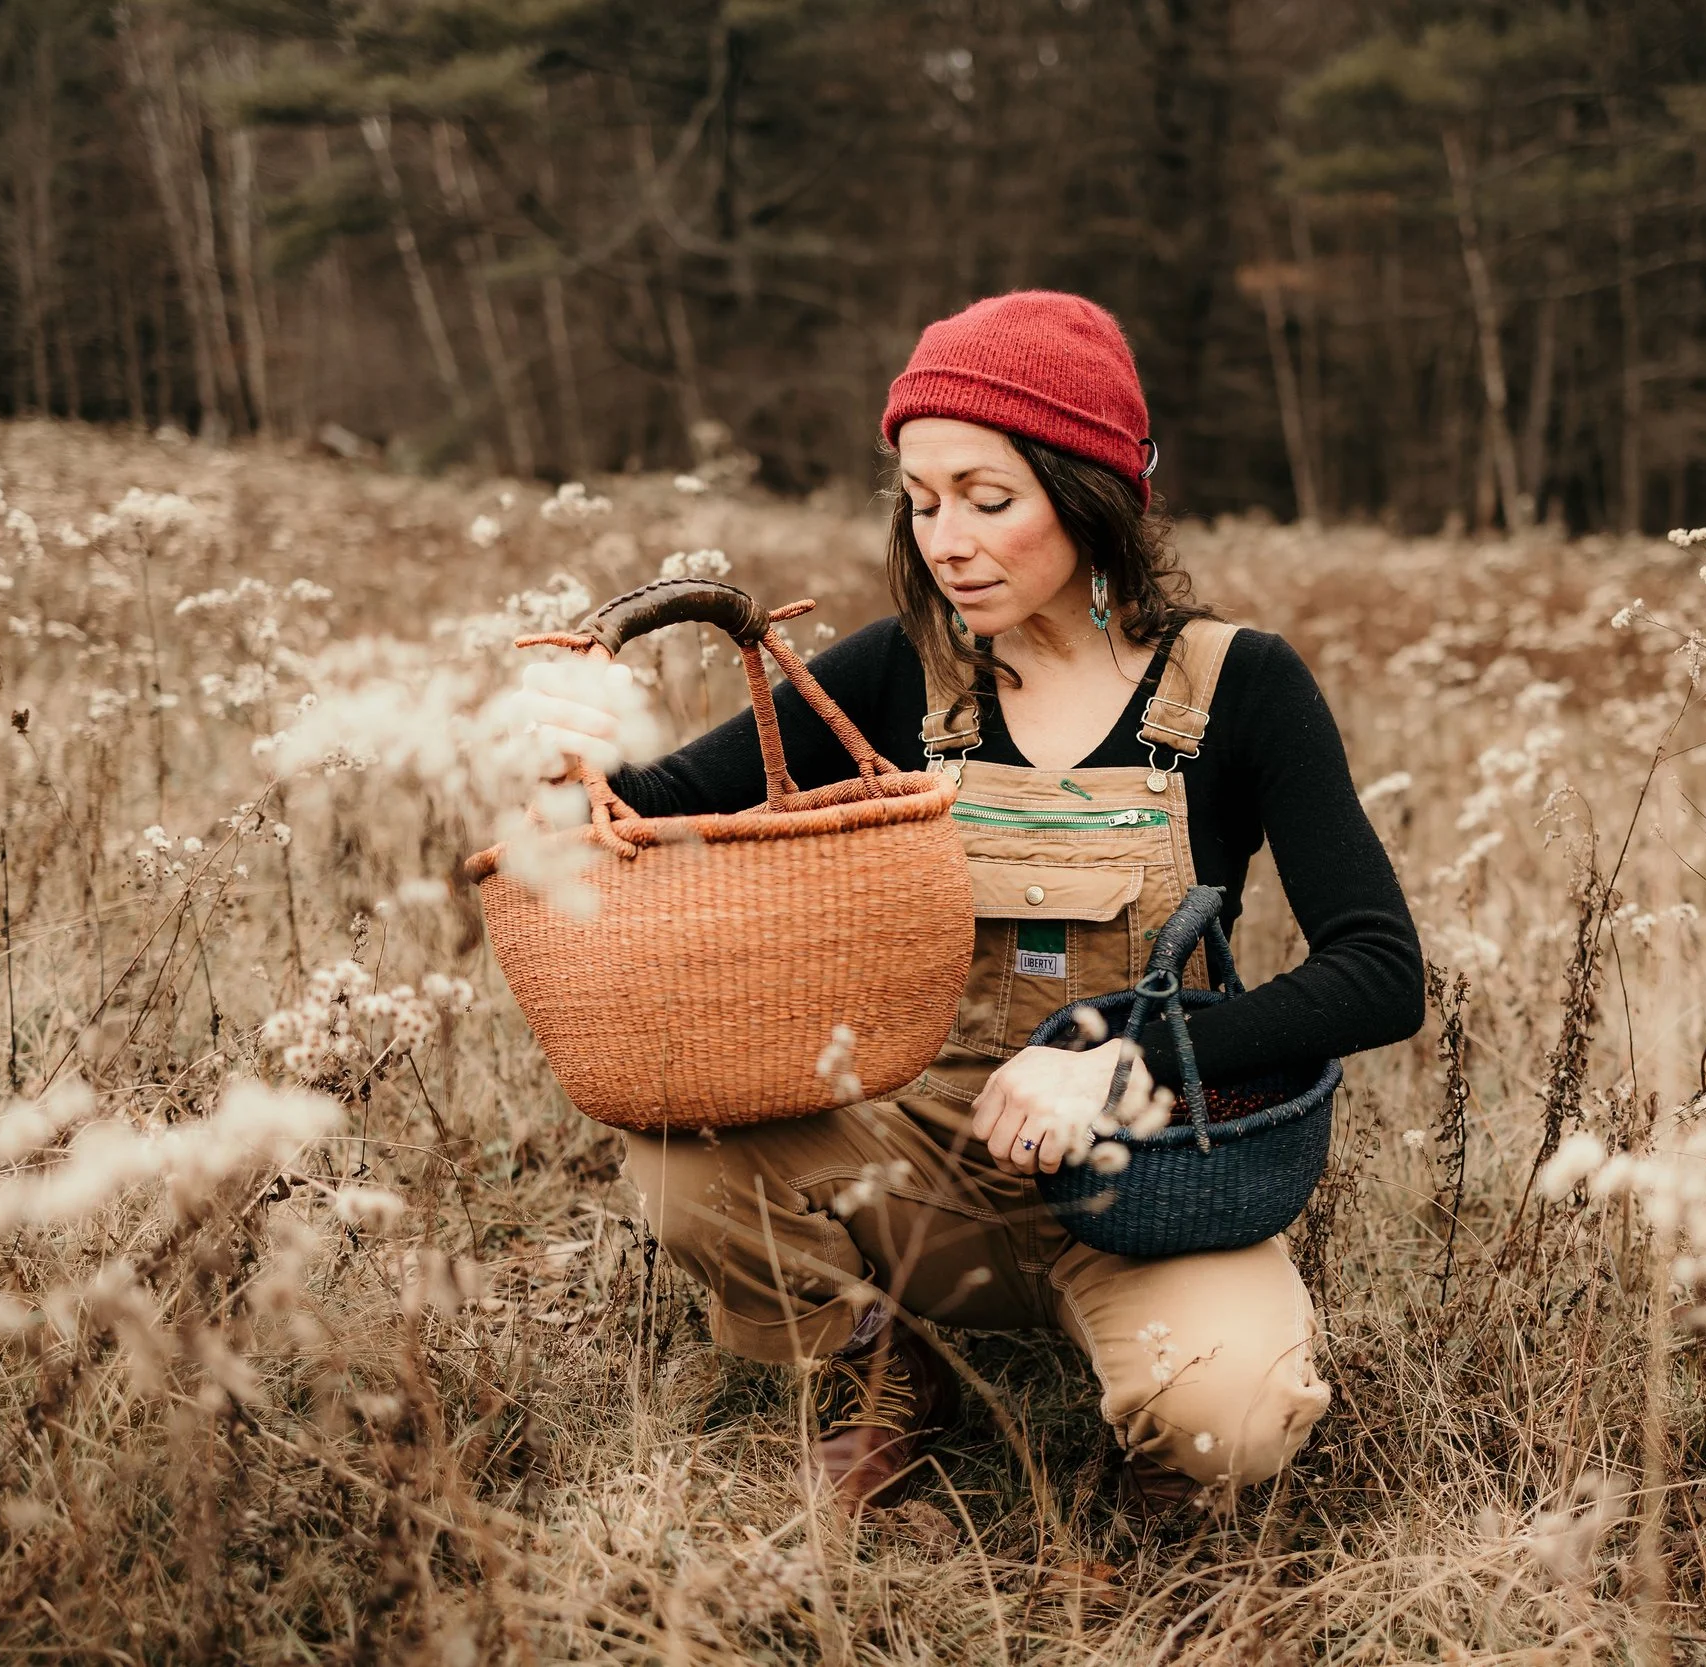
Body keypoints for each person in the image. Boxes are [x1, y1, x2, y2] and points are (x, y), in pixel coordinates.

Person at [516, 291, 1422, 1514]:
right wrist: (572, 749)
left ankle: (1146, 1436)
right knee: (681, 1153)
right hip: (916, 1156)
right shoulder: (899, 668)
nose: (946, 538)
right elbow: (658, 813)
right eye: (922, 498)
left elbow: (1378, 969)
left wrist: (1120, 1050)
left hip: (1143, 1174)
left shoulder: (1240, 686)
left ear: (1093, 490)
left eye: (988, 500)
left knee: (1232, 1425)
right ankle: (877, 1356)